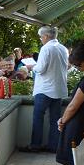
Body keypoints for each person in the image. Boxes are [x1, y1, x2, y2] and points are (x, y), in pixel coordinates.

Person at [21, 25, 69, 153]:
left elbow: (41, 69)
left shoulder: (46, 48)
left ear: (46, 36)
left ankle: (35, 145)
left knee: (38, 117)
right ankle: (54, 146)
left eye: (41, 37)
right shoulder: (63, 48)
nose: (40, 39)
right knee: (55, 119)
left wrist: (32, 67)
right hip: (58, 89)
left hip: (45, 89)